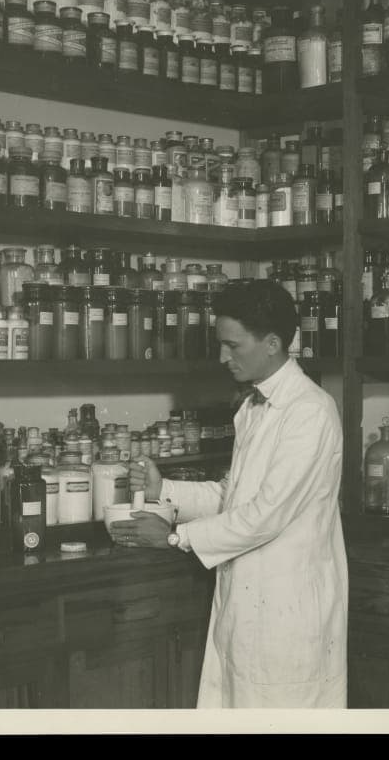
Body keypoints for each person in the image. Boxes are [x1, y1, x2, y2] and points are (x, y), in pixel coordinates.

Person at [110, 279, 347, 708]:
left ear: (272, 343)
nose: (223, 357)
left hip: (285, 612)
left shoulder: (309, 412)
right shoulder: (255, 406)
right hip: (247, 604)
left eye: (233, 346)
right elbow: (233, 494)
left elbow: (264, 515)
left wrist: (171, 538)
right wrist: (164, 489)